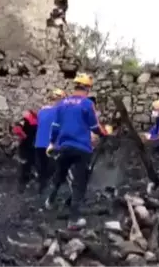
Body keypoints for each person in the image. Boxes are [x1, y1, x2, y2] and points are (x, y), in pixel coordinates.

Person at [45, 73, 111, 230]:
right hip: (82, 148)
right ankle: (73, 220)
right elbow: (94, 126)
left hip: (64, 147)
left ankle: (50, 201)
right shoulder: (87, 104)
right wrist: (104, 134)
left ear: (75, 86)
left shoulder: (62, 104)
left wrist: (53, 142)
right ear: (87, 88)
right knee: (79, 183)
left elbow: (55, 126)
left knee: (59, 175)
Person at [34, 89, 66, 195]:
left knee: (42, 168)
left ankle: (41, 188)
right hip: (52, 145)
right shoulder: (62, 113)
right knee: (52, 169)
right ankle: (49, 191)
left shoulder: (41, 111)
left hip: (39, 144)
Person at [13, 109, 39, 193]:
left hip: (26, 145)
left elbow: (17, 129)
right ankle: (30, 180)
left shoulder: (25, 120)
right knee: (31, 163)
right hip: (34, 145)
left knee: (25, 165)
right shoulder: (37, 120)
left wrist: (22, 135)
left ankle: (23, 183)